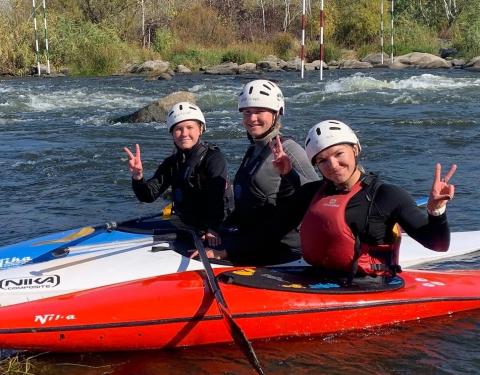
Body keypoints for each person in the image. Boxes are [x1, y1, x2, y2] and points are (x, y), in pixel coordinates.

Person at [270, 119, 456, 278]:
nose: (333, 165)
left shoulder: (387, 196)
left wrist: (436, 211)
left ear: (355, 149)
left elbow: (438, 245)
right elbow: (288, 209)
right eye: (322, 160)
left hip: (370, 286)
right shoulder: (313, 192)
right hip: (318, 279)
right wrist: (288, 173)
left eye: (338, 154)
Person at [195, 80, 319, 264]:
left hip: (283, 253)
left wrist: (229, 251)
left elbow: (314, 200)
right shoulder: (254, 150)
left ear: (276, 114)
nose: (252, 118)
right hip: (252, 242)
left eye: (260, 111)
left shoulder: (290, 150)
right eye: (247, 112)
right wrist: (218, 229)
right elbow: (248, 205)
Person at [123, 102, 231, 246]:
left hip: (215, 228)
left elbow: (218, 198)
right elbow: (148, 196)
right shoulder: (172, 162)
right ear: (172, 134)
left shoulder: (214, 158)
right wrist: (138, 177)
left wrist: (213, 229)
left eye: (190, 127)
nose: (184, 134)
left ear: (200, 129)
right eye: (178, 129)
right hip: (187, 224)